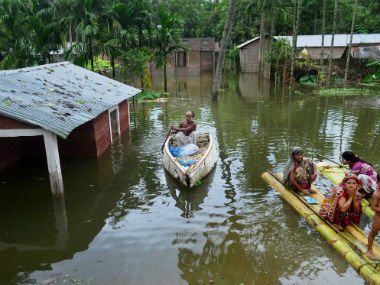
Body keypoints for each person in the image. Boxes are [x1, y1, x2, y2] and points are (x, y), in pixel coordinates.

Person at [367, 173, 380, 258]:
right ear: (378, 182)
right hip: (378, 217)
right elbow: (373, 207)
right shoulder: (376, 194)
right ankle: (369, 249)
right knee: (373, 233)